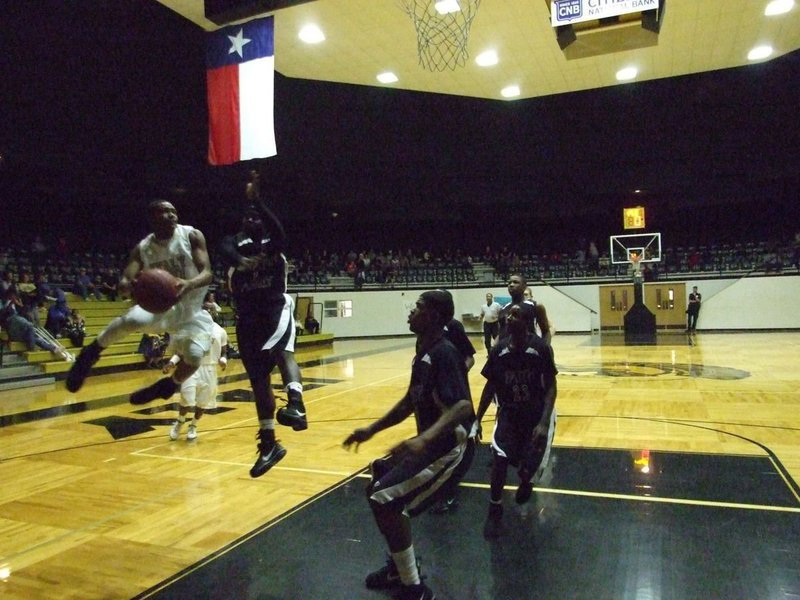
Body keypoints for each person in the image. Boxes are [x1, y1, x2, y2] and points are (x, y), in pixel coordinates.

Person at [343, 290, 474, 600]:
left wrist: (423, 438)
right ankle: (398, 567)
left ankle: (414, 587)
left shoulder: (445, 353)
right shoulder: (423, 349)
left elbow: (463, 407)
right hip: (431, 444)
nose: (411, 311)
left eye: (418, 307)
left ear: (435, 317)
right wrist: (371, 429)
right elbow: (410, 401)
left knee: (384, 499)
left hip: (451, 448)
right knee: (376, 484)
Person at [66, 200, 215, 404]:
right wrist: (127, 286)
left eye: (173, 211)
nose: (172, 215)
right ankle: (89, 354)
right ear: (152, 218)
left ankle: (168, 385)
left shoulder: (191, 235)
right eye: (165, 212)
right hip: (162, 307)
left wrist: (189, 283)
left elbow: (207, 273)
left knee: (194, 356)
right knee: (133, 319)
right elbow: (126, 280)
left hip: (191, 309)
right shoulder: (143, 248)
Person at [219, 177, 308, 478]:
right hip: (247, 318)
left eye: (257, 215)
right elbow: (224, 247)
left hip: (274, 309)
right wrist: (241, 261)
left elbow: (280, 231)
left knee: (283, 352)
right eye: (248, 215)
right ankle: (269, 444)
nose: (253, 218)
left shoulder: (273, 244)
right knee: (258, 381)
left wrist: (259, 202)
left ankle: (296, 404)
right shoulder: (235, 244)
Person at [476, 304, 558, 539]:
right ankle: (494, 507)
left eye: (515, 315)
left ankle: (526, 480)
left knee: (528, 464)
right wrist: (478, 418)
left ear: (527, 322)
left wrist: (543, 423)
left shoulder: (540, 349)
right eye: (508, 315)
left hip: (535, 413)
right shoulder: (499, 349)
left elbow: (551, 386)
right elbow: (490, 384)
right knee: (499, 458)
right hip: (509, 413)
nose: (508, 317)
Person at [429, 301, 477, 515]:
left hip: (452, 391)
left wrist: (458, 372)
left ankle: (449, 491)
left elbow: (470, 357)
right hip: (432, 393)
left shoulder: (454, 327)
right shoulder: (425, 333)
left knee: (457, 434)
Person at [164, 321, 228, 441]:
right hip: (191, 366)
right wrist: (172, 362)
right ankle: (180, 421)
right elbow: (181, 351)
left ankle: (193, 425)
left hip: (210, 368)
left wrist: (223, 360)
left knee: (203, 402)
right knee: (187, 399)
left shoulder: (220, 331)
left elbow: (224, 352)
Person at [498, 274, 552, 344]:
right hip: (508, 352)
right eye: (509, 283)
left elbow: (546, 332)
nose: (511, 285)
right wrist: (494, 350)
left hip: (528, 351)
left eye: (515, 282)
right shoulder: (503, 309)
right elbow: (501, 333)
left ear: (524, 287)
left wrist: (545, 349)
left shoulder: (535, 306)